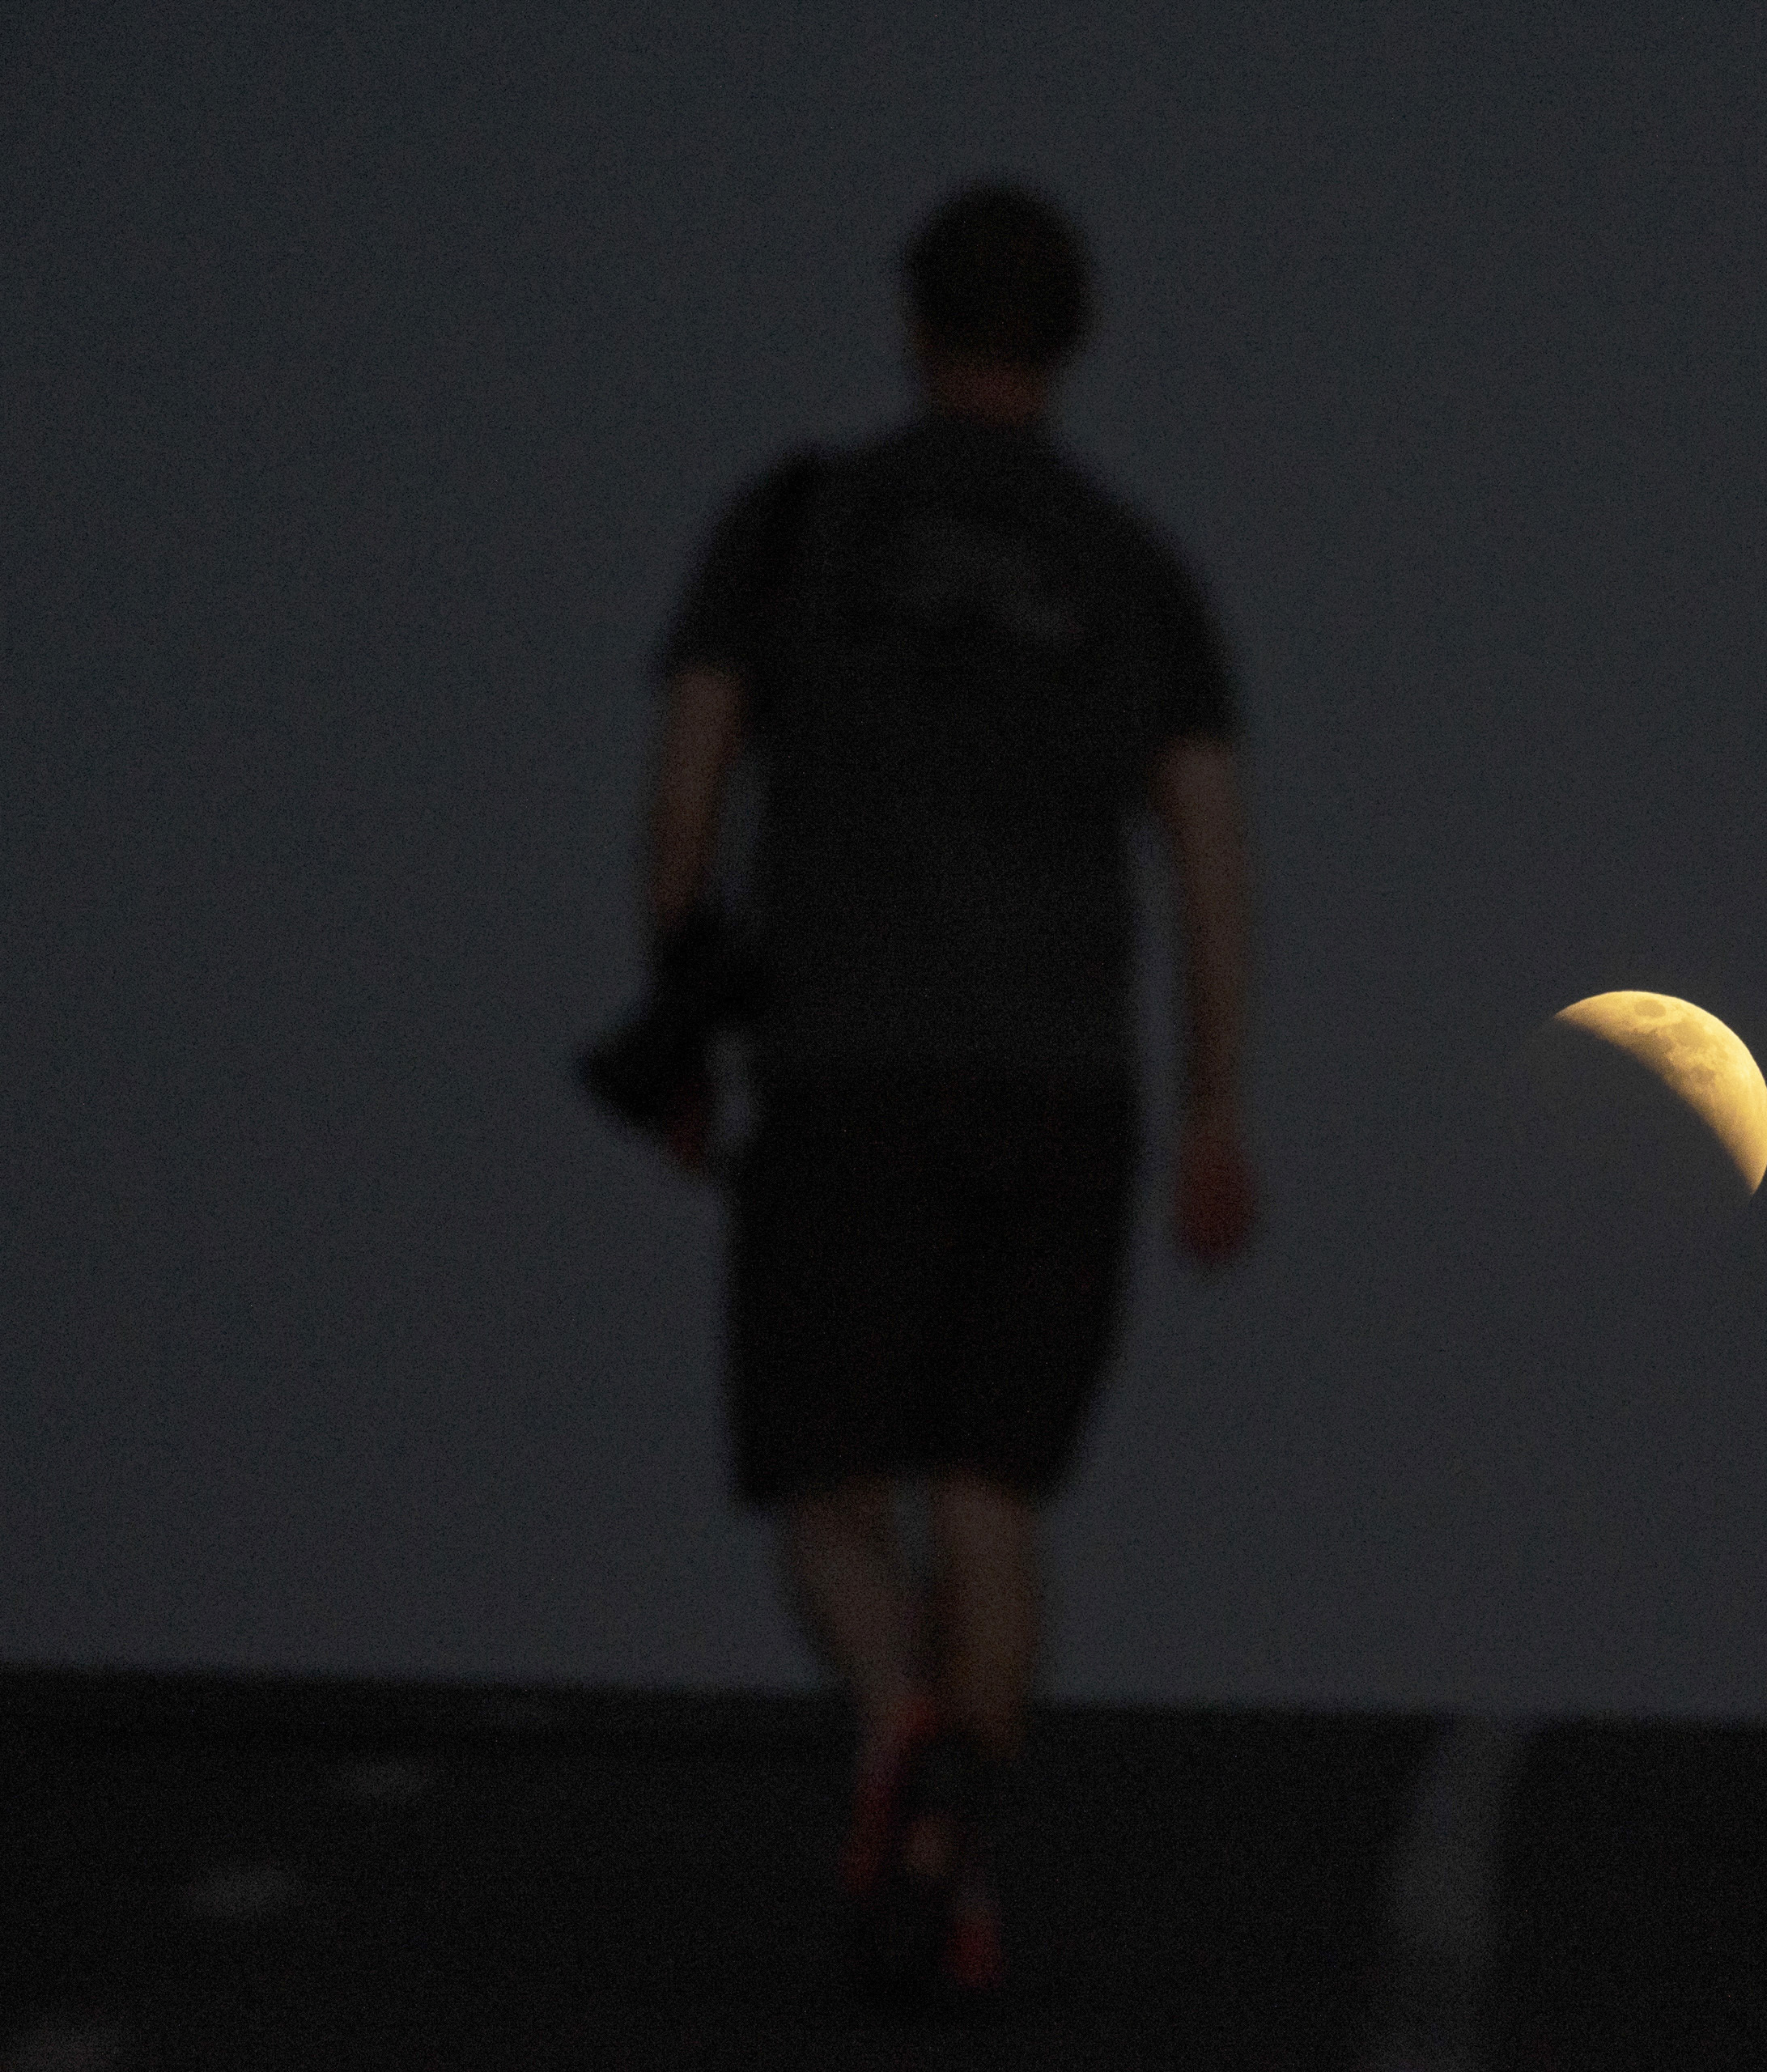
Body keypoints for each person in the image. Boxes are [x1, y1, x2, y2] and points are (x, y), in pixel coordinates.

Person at [634, 182, 1255, 2007]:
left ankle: (898, 1725)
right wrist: (1217, 1107)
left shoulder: (797, 522)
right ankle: (950, 1830)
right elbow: (1210, 866)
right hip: (1063, 1083)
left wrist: (683, 1030)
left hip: (842, 1065)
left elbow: (687, 793)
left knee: (829, 1476)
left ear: (913, 323)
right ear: (1069, 340)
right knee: (995, 1491)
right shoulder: (1137, 568)